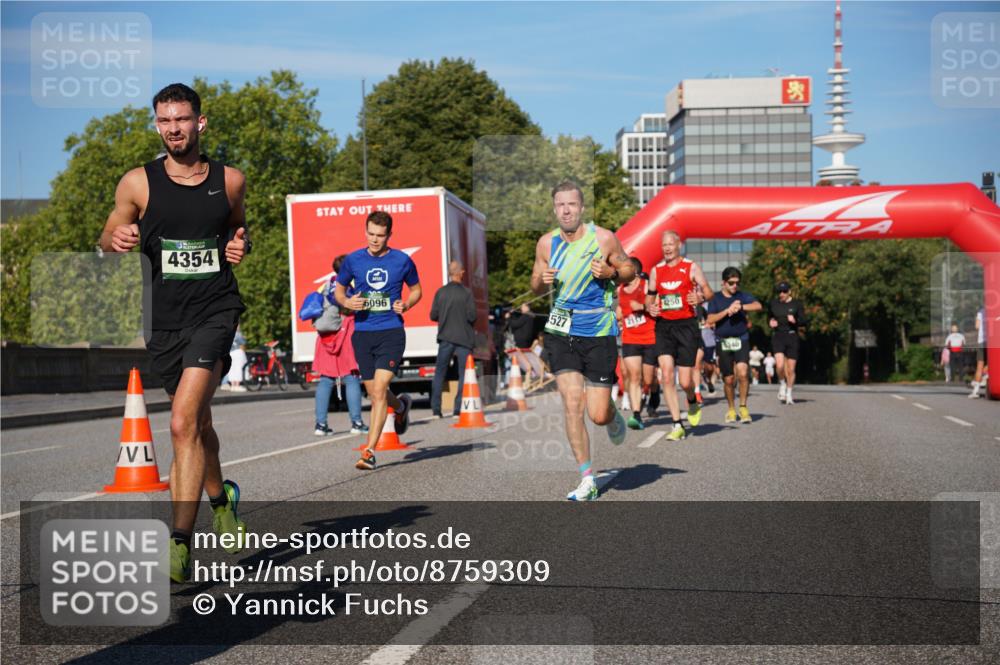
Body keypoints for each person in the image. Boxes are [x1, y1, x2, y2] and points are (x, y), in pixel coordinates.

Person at [99, 83, 249, 583]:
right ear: (157, 124)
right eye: (164, 120)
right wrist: (116, 238)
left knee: (182, 424)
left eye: (181, 119)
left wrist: (239, 245)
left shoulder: (230, 180)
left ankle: (179, 544)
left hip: (215, 310)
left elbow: (237, 228)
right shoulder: (137, 183)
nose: (173, 129)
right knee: (199, 424)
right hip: (163, 321)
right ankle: (221, 499)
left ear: (199, 123)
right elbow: (107, 234)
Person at [531, 180, 633, 501]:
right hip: (561, 331)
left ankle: (611, 413)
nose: (566, 210)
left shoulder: (603, 238)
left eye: (571, 204)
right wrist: (541, 280)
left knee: (597, 415)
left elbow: (629, 269)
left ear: (582, 208)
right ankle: (587, 478)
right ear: (554, 209)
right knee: (572, 403)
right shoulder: (546, 244)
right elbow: (535, 283)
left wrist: (611, 274)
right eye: (560, 205)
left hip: (598, 331)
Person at [335, 210, 421, 471]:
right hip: (362, 334)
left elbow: (416, 290)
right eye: (371, 234)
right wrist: (348, 301)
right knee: (375, 392)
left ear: (389, 235)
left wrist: (406, 304)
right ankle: (401, 406)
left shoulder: (402, 260)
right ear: (365, 231)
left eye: (380, 235)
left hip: (391, 332)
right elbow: (339, 290)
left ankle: (369, 451)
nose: (374, 239)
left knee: (380, 390)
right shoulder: (353, 260)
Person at [646, 230, 713, 441]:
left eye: (670, 244)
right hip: (664, 327)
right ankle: (677, 424)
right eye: (663, 245)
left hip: (686, 327)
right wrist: (650, 308)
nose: (666, 248)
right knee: (666, 374)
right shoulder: (656, 271)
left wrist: (700, 298)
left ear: (678, 245)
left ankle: (692, 400)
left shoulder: (691, 267)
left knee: (685, 382)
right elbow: (649, 298)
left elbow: (709, 292)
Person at [313, 255, 367, 436]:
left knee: (326, 380)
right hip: (346, 333)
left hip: (325, 336)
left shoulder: (326, 285)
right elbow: (357, 308)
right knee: (351, 377)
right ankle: (356, 423)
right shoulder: (349, 286)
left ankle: (320, 425)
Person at [705, 267, 762, 424]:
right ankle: (731, 409)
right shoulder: (715, 298)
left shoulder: (741, 296)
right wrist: (727, 311)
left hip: (741, 339)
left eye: (737, 283)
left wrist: (741, 307)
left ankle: (743, 407)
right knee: (729, 379)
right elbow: (710, 319)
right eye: (731, 283)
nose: (734, 286)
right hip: (722, 341)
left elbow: (758, 305)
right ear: (723, 283)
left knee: (743, 373)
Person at [430, 261, 477, 418]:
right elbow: (472, 316)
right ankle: (458, 409)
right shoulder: (467, 293)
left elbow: (433, 315)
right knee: (464, 374)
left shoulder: (440, 292)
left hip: (445, 338)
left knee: (439, 373)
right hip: (464, 339)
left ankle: (436, 410)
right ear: (460, 273)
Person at [616, 257, 657, 430]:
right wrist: (617, 314)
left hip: (649, 337)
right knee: (634, 376)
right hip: (630, 338)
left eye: (623, 268)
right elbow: (620, 309)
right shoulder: (620, 289)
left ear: (632, 270)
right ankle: (636, 415)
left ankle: (653, 392)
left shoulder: (646, 286)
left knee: (648, 378)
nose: (620, 271)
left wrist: (641, 306)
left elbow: (658, 305)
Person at [769, 281, 807, 405]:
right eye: (779, 291)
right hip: (778, 336)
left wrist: (795, 321)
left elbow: (804, 321)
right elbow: (769, 317)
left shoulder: (797, 304)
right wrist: (770, 322)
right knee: (779, 365)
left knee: (791, 369)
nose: (782, 294)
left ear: (789, 292)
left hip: (792, 336)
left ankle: (789, 393)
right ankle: (782, 384)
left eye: (784, 291)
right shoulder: (773, 303)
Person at [506, 303, 545, 388]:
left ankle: (527, 379)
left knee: (524, 362)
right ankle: (529, 378)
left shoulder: (525, 316)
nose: (521, 308)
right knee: (527, 360)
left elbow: (515, 324)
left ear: (527, 307)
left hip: (521, 342)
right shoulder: (531, 317)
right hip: (527, 341)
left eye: (523, 306)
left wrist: (508, 318)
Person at [220, 325, 248, 392]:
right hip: (238, 352)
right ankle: (237, 385)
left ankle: (233, 385)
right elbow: (243, 342)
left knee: (232, 369)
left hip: (230, 353)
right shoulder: (237, 334)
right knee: (238, 368)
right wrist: (244, 337)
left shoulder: (227, 334)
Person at [970, 307, 989, 398]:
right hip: (994, 340)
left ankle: (975, 391)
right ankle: (986, 374)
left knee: (979, 366)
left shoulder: (981, 311)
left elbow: (977, 326)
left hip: (982, 340)